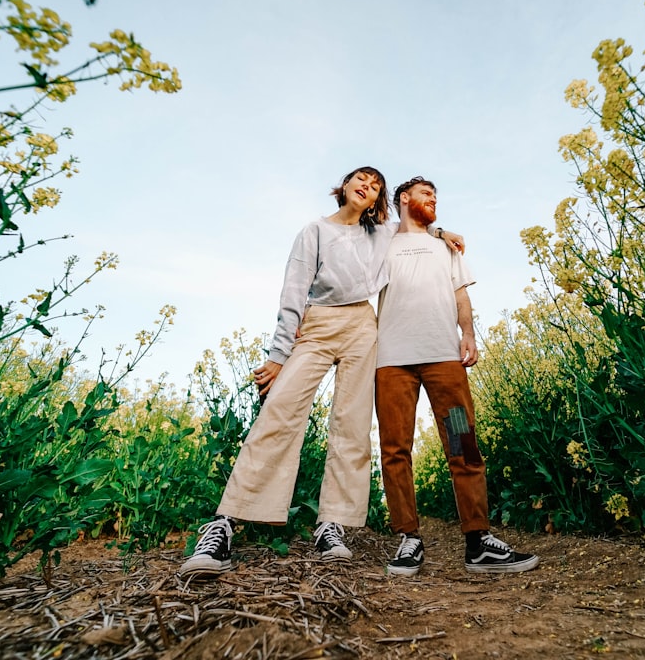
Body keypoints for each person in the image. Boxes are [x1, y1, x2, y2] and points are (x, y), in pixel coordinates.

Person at [180, 167, 463, 577]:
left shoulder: (380, 233)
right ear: (345, 186)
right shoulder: (313, 231)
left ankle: (332, 526)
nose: (368, 188)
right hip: (317, 323)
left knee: (351, 425)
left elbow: (414, 227)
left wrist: (443, 234)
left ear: (377, 200)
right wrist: (279, 356)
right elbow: (293, 292)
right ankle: (225, 525)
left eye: (376, 187)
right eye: (362, 180)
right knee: (278, 413)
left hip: (363, 326)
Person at [375, 176, 539, 576]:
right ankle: (409, 537)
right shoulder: (381, 241)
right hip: (391, 361)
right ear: (403, 198)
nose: (434, 198)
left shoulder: (445, 247)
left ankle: (478, 541)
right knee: (395, 450)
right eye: (426, 193)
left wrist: (468, 334)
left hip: (444, 360)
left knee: (463, 443)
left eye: (435, 195)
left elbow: (461, 295)